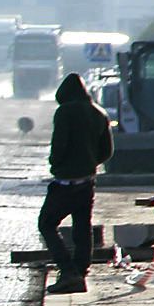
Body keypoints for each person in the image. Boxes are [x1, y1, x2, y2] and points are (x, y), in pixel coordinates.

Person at [40, 71, 114, 294]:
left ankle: (68, 271)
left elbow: (59, 145)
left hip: (66, 182)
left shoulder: (65, 112)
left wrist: (56, 163)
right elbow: (107, 151)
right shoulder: (99, 113)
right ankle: (80, 274)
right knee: (82, 228)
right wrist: (90, 163)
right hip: (87, 181)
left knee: (46, 224)